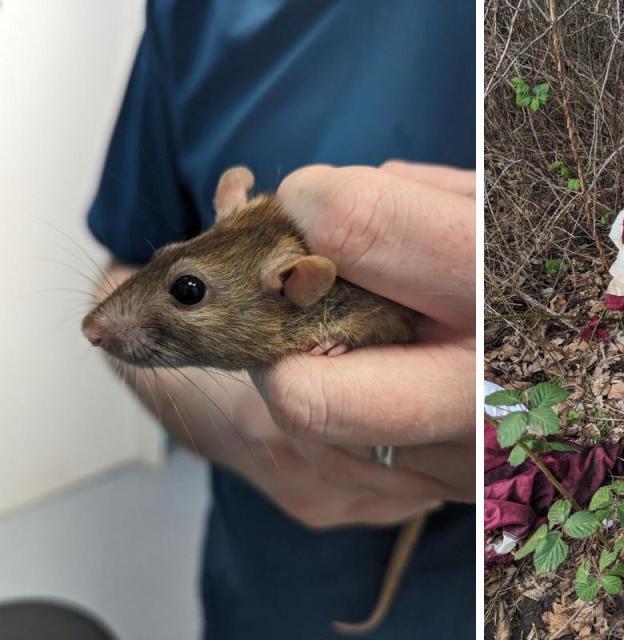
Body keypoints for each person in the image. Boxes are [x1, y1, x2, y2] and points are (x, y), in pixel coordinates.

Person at [85, 2, 475, 639]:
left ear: (295, 284)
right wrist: (239, 423)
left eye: (187, 291)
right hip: (268, 570)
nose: (98, 329)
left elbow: (384, 321)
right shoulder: (191, 15)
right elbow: (124, 268)